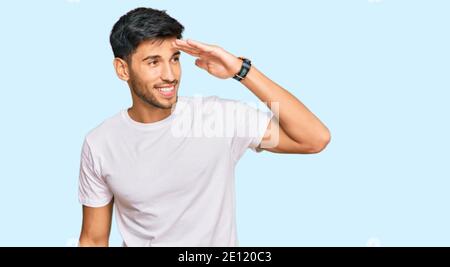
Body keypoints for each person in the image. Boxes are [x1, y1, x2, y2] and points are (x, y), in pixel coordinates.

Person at [78, 7, 331, 247]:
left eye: (175, 59)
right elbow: (93, 239)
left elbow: (314, 139)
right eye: (153, 62)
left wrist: (241, 70)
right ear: (123, 69)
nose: (170, 74)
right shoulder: (100, 143)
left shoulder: (216, 118)